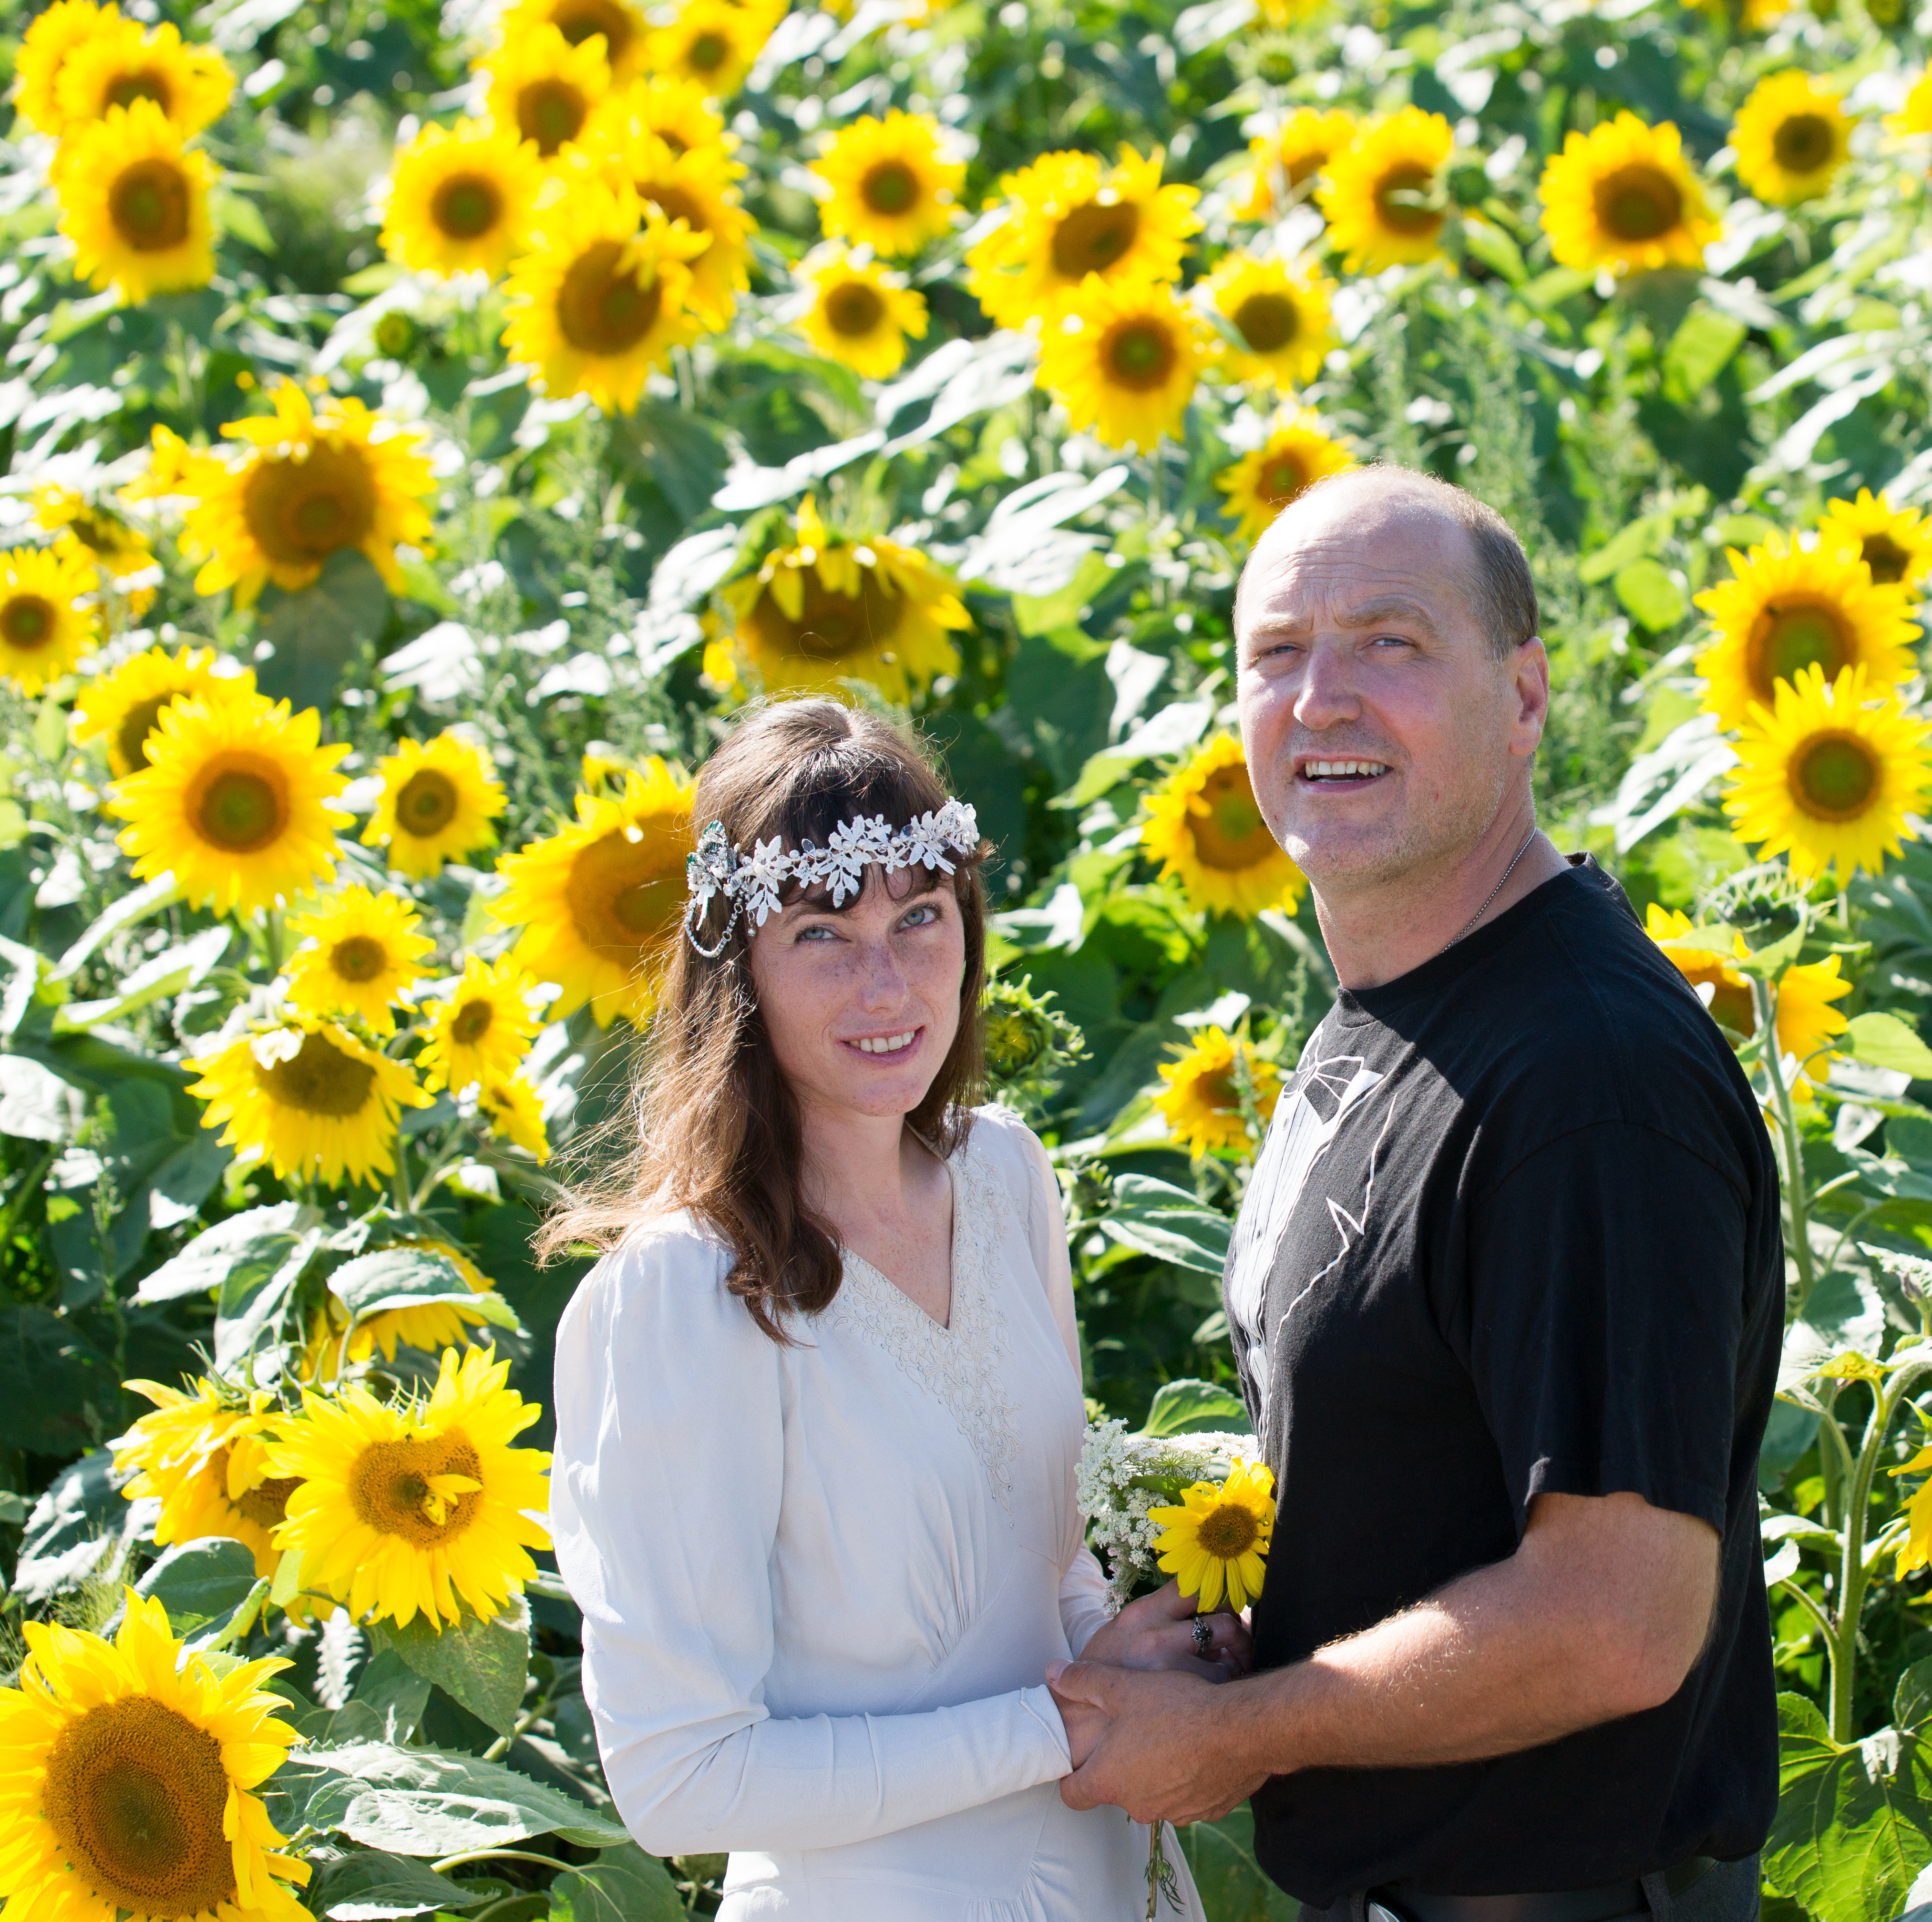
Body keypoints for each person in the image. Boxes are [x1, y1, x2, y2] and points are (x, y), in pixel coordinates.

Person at [1048, 469, 1784, 1922]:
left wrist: (1238, 1737)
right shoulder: (1398, 1013)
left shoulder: (1586, 1084)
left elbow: (1615, 1622)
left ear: (1524, 696)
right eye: (1277, 653)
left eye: (1391, 642)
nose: (1321, 697)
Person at [544, 697, 1248, 1922]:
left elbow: (1049, 1562)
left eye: (921, 918)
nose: (890, 983)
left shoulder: (1003, 1171)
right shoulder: (681, 1294)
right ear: (740, 971)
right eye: (823, 933)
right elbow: (677, 1779)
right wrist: (1063, 1725)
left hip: (1118, 1883)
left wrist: (1156, 1653)